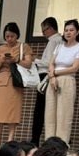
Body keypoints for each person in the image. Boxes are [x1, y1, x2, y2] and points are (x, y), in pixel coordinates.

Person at [0, 24, 33, 152]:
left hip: (15, 81)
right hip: (1, 81)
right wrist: (1, 60)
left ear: (17, 35)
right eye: (7, 36)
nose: (9, 39)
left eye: (12, 36)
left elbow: (29, 64)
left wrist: (16, 60)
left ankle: (10, 140)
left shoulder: (23, 47)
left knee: (13, 111)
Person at [44, 19, 79, 144]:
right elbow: (51, 63)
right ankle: (49, 143)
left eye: (71, 30)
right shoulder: (59, 46)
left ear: (77, 32)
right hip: (53, 80)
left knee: (64, 115)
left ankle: (61, 145)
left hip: (67, 80)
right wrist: (52, 77)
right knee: (50, 114)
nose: (68, 33)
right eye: (66, 30)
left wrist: (55, 73)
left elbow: (74, 67)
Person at [30, 18, 62, 146]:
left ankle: (35, 139)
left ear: (50, 28)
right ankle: (38, 139)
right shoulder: (57, 41)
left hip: (46, 75)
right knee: (45, 109)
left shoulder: (54, 41)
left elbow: (49, 62)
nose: (43, 33)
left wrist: (34, 60)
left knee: (40, 110)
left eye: (44, 30)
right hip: (49, 75)